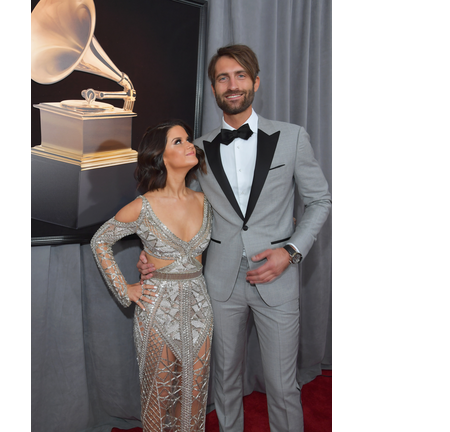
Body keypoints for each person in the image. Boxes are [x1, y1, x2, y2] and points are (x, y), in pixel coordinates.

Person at [137, 45, 331, 432]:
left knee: (282, 385)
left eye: (241, 75)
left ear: (256, 82)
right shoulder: (199, 149)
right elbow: (177, 204)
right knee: (224, 382)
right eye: (223, 77)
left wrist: (290, 251)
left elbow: (320, 200)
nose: (232, 84)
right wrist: (152, 249)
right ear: (213, 89)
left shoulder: (292, 138)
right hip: (220, 283)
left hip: (277, 277)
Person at [90, 119, 214, 432]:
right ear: (159, 156)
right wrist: (125, 289)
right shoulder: (143, 207)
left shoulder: (205, 202)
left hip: (200, 308)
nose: (189, 145)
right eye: (178, 142)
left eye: (188, 139)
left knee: (196, 394)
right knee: (159, 396)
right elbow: (100, 241)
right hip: (156, 310)